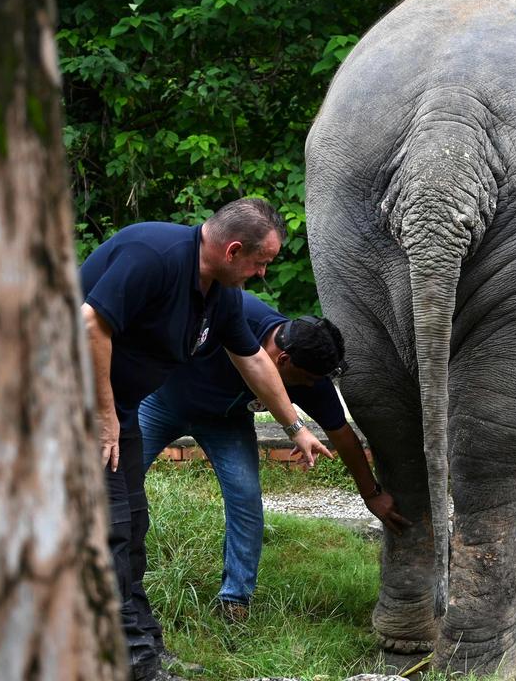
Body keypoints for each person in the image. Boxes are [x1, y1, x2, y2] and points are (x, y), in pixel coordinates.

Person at [79, 198, 332, 681]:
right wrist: (104, 417)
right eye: (261, 262)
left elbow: (253, 359)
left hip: (119, 409)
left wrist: (295, 428)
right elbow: (90, 322)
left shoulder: (219, 292)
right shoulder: (151, 255)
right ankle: (129, 660)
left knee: (132, 525)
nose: (262, 274)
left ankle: (142, 645)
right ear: (234, 250)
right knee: (110, 526)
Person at [139, 296, 410, 621]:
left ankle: (234, 601)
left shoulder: (310, 374)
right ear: (283, 359)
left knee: (246, 501)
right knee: (113, 478)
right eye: (308, 379)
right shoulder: (235, 312)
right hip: (162, 403)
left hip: (226, 423)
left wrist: (371, 494)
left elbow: (343, 436)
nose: (312, 386)